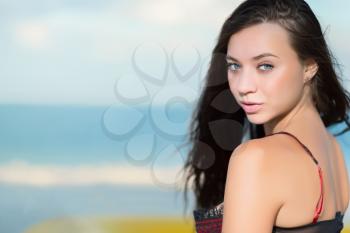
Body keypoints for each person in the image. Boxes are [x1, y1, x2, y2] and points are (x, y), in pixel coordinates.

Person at [182, 0, 350, 232]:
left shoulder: (257, 158)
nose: (243, 86)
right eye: (234, 66)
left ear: (309, 67)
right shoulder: (333, 151)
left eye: (265, 66)